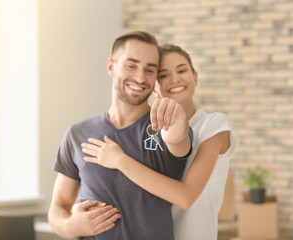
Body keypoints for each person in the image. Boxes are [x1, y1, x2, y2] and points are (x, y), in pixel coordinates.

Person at [82, 44, 238, 240]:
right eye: (163, 75)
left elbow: (186, 197)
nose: (175, 78)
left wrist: (119, 161)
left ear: (195, 77)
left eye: (181, 70)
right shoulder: (143, 130)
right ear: (154, 89)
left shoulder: (213, 125)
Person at [48, 32, 192, 240]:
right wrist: (72, 226)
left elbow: (178, 138)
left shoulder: (166, 127)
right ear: (111, 67)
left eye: (150, 70)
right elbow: (58, 207)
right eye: (131, 65)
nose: (141, 77)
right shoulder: (77, 134)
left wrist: (177, 120)